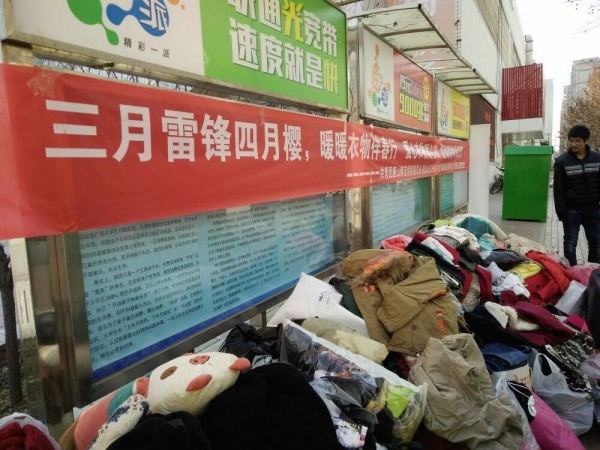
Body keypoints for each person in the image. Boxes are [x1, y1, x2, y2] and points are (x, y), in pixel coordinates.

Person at [553, 125, 600, 266]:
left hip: (593, 209)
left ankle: (593, 272)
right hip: (571, 210)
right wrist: (561, 212)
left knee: (596, 243)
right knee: (570, 243)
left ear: (586, 141)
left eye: (578, 141)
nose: (574, 144)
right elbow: (558, 189)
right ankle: (572, 272)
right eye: (571, 140)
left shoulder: (597, 159)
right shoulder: (562, 161)